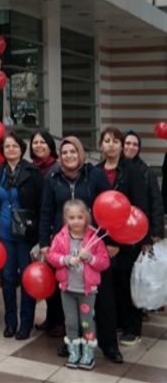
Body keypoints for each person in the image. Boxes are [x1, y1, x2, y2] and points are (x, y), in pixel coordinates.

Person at [39, 137, 121, 363]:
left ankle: (109, 345)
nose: (68, 156)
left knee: (103, 300)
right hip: (65, 244)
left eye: (73, 152)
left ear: (80, 153)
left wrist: (112, 241)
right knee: (69, 302)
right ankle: (72, 343)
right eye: (64, 153)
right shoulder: (52, 177)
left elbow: (110, 205)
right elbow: (46, 211)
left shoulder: (94, 175)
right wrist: (45, 242)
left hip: (95, 245)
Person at [96, 127, 148, 347]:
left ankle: (132, 327)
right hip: (103, 240)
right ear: (101, 145)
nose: (111, 144)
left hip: (127, 238)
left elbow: (140, 205)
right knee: (111, 284)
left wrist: (122, 242)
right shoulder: (96, 171)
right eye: (107, 140)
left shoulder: (132, 171)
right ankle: (116, 321)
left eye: (116, 141)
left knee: (128, 282)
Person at [46, 200, 110, 371]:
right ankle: (74, 352)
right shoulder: (60, 237)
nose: (76, 221)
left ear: (86, 217)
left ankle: (88, 353)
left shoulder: (94, 238)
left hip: (87, 291)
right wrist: (66, 260)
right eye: (71, 217)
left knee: (86, 323)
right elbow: (52, 256)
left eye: (80, 217)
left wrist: (89, 258)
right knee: (71, 322)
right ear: (66, 219)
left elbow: (104, 262)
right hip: (67, 289)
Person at [0, 132, 42, 340]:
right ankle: (10, 322)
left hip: (26, 234)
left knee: (27, 278)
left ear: (21, 149)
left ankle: (26, 323)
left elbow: (41, 204)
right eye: (6, 147)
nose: (10, 150)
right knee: (8, 278)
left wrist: (40, 234)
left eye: (14, 146)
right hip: (4, 233)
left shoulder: (33, 172)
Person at [29, 130, 63, 336]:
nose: (38, 145)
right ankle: (50, 318)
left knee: (58, 276)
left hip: (54, 229)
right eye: (35, 142)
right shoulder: (32, 169)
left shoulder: (56, 169)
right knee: (45, 275)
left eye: (43, 142)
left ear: (50, 146)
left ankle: (59, 320)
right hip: (37, 228)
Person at [122, 130, 164, 245]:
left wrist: (157, 232)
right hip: (118, 229)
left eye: (135, 144)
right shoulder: (113, 169)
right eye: (127, 143)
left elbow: (156, 203)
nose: (131, 147)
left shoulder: (147, 172)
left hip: (141, 231)